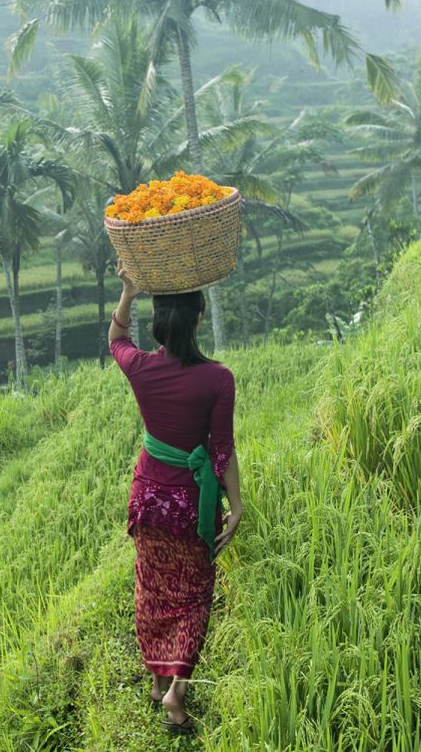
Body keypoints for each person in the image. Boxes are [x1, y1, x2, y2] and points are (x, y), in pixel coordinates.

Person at [108, 258, 242, 735]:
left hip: (147, 502)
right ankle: (175, 693)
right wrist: (238, 507)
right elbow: (221, 449)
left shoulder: (142, 369)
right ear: (199, 319)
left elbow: (116, 340)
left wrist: (128, 291)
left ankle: (154, 677)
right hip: (190, 508)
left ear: (160, 324)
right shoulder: (218, 379)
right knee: (193, 597)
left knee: (153, 588)